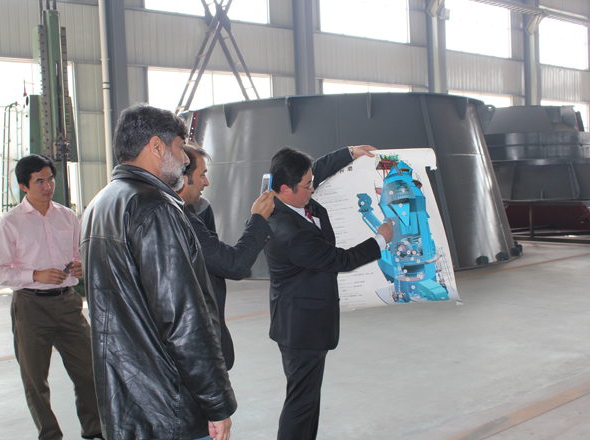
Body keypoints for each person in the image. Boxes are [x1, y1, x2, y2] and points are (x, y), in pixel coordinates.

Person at [79, 104, 236, 440]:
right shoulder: (155, 208)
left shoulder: (99, 205)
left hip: (126, 403)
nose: (184, 160)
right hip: (169, 407)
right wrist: (216, 403)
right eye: (180, 148)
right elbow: (182, 320)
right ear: (156, 146)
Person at [264, 145, 394, 440]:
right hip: (302, 329)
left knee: (308, 400)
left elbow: (316, 171)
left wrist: (349, 153)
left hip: (303, 322)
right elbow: (341, 260)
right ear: (286, 189)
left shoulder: (284, 197)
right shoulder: (289, 231)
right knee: (301, 403)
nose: (313, 188)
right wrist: (381, 240)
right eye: (307, 186)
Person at [0, 154, 102, 440]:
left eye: (50, 179)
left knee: (89, 371)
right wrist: (35, 275)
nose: (48, 186)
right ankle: (50, 434)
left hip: (68, 304)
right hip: (30, 307)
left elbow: (77, 254)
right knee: (35, 380)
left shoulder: (67, 216)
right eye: (39, 181)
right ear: (23, 186)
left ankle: (95, 429)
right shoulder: (10, 223)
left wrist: (81, 266)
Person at [177, 145, 275, 370]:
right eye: (202, 175)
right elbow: (234, 264)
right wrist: (258, 219)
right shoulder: (181, 221)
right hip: (196, 348)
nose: (206, 182)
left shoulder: (189, 212)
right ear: (183, 177)